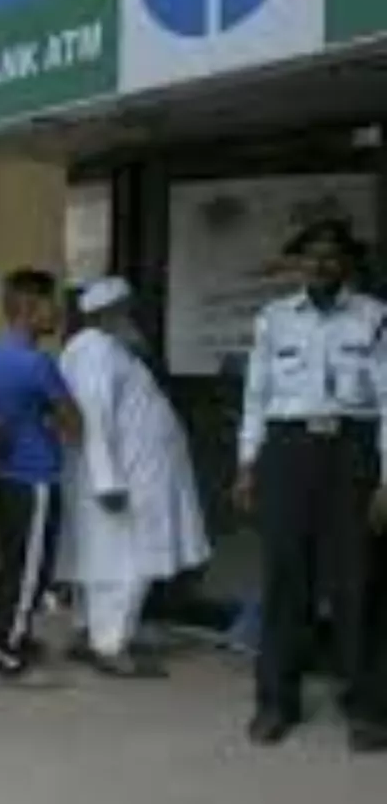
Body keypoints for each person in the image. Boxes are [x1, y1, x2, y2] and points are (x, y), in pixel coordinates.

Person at [235, 219, 387, 752]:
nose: (321, 264)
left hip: (352, 452)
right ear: (298, 263)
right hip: (287, 452)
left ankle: (367, 708)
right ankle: (276, 703)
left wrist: (386, 478)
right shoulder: (273, 319)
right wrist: (247, 463)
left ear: (347, 262)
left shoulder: (375, 317)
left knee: (359, 582)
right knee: (285, 580)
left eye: (332, 255)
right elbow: (256, 396)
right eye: (311, 255)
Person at [58, 278, 211, 678]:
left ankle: (91, 634)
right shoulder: (96, 351)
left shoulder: (105, 349)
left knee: (101, 560)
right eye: (125, 311)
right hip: (124, 479)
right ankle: (111, 646)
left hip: (127, 474)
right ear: (108, 314)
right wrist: (107, 480)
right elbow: (94, 417)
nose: (131, 318)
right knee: (125, 564)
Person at [0, 268, 82, 683]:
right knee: (29, 571)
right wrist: (53, 419)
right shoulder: (38, 363)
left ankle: (13, 636)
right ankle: (11, 656)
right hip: (35, 477)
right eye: (49, 304)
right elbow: (74, 423)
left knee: (13, 563)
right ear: (28, 307)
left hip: (6, 474)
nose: (56, 312)